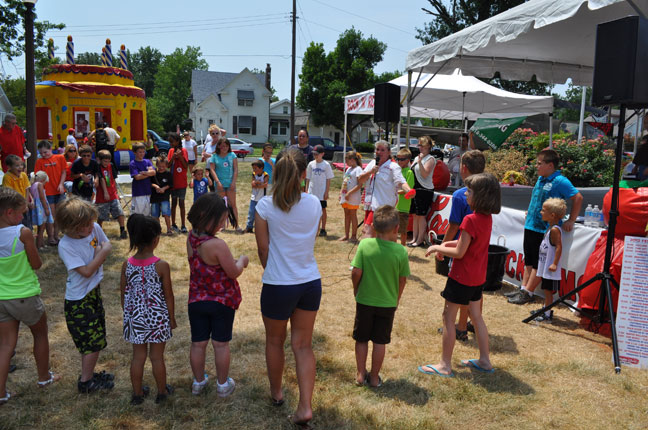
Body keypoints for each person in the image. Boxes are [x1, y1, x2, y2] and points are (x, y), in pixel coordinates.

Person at [254, 148, 321, 427]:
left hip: (278, 284)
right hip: (309, 282)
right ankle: (305, 406)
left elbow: (262, 249)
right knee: (303, 346)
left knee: (274, 342)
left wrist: (275, 270)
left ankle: (277, 393)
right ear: (304, 174)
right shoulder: (315, 203)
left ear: (275, 174)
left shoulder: (265, 206)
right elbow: (311, 239)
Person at [420, 173, 501, 377]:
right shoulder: (486, 218)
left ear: (480, 196)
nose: (465, 193)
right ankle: (484, 360)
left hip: (461, 277)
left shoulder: (470, 219)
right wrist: (445, 244)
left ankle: (444, 365)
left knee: (448, 317)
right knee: (477, 317)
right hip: (477, 278)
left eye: (470, 191)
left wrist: (438, 248)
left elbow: (460, 252)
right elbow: (467, 243)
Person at [0, 188, 59, 406]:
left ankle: (1, 393)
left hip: (1, 297)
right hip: (24, 294)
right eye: (21, 212)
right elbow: (36, 264)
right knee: (40, 335)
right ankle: (44, 378)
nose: (24, 217)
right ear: (8, 212)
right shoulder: (21, 232)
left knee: (5, 345)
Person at [186, 193, 249, 397]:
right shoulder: (217, 245)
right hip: (221, 302)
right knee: (221, 344)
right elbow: (233, 271)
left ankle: (198, 382)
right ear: (207, 217)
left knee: (198, 343)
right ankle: (223, 385)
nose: (222, 225)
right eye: (221, 221)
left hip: (196, 300)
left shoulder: (191, 238)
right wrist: (242, 261)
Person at [508, 149, 583, 305]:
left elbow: (578, 197)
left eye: (540, 163)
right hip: (531, 224)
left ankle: (529, 292)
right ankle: (524, 289)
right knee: (529, 260)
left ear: (550, 165)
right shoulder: (540, 179)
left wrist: (571, 220)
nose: (537, 166)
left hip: (544, 229)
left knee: (538, 263)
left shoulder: (560, 181)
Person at [56, 197, 114, 393]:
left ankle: (88, 375)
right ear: (72, 227)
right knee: (92, 342)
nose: (91, 227)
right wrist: (101, 253)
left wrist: (100, 251)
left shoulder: (94, 227)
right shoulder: (66, 245)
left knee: (96, 338)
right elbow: (87, 271)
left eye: (91, 222)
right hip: (79, 300)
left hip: (92, 293)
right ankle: (86, 382)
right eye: (86, 225)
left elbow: (106, 245)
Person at [350, 205, 409, 387]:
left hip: (365, 300)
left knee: (361, 338)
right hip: (387, 304)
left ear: (373, 228)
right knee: (379, 341)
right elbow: (402, 280)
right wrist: (396, 299)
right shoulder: (401, 252)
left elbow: (355, 272)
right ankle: (374, 378)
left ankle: (361, 374)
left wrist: (356, 290)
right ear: (397, 229)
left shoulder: (365, 245)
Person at [121, 214, 176, 405]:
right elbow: (168, 295)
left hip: (135, 318)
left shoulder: (126, 265)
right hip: (158, 319)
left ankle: (137, 394)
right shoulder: (161, 266)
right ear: (155, 240)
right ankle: (162, 392)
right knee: (157, 357)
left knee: (138, 357)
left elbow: (124, 293)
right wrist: (172, 318)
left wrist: (128, 315)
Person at [436, 150, 486, 341]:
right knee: (475, 290)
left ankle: (461, 326)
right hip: (480, 248)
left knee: (460, 292)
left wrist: (442, 246)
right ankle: (469, 322)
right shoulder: (487, 192)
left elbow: (454, 225)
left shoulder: (460, 195)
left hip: (461, 248)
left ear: (463, 168)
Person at [357, 140, 412, 238]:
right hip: (370, 205)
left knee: (369, 232)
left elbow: (400, 181)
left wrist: (408, 190)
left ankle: (366, 252)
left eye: (382, 150)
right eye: (377, 149)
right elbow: (360, 179)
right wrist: (370, 171)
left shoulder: (393, 166)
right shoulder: (373, 163)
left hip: (383, 208)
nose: (379, 152)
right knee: (370, 233)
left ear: (389, 152)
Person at [532, 198, 567, 323]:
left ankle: (547, 314)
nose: (541, 212)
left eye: (543, 210)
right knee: (545, 290)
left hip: (550, 268)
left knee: (548, 292)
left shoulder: (554, 230)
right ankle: (544, 309)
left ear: (552, 215)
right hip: (545, 265)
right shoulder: (550, 227)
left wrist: (554, 264)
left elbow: (558, 246)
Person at [35, 140, 67, 245]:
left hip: (59, 191)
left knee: (58, 215)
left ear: (50, 149)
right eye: (41, 153)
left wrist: (61, 184)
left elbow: (63, 172)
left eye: (45, 152)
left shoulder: (60, 158)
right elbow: (37, 177)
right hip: (48, 193)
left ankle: (56, 235)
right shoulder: (39, 162)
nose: (43, 155)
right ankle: (51, 237)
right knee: (51, 216)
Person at [408, 136, 437, 247]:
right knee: (415, 215)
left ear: (428, 146)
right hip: (416, 188)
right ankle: (414, 238)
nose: (420, 148)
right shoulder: (417, 157)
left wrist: (420, 163)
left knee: (421, 216)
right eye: (419, 145)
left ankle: (420, 240)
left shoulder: (430, 159)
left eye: (422, 145)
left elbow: (425, 175)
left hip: (425, 189)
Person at [209, 138, 241, 233]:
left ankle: (236, 225)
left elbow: (235, 169)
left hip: (230, 184)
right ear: (218, 146)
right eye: (222, 146)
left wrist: (233, 182)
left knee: (232, 204)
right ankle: (221, 225)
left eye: (226, 146)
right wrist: (218, 182)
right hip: (220, 184)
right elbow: (212, 170)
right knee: (221, 205)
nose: (224, 148)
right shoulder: (214, 156)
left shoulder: (232, 155)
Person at [95, 150, 127, 239]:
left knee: (119, 212)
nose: (107, 163)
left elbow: (113, 179)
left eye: (108, 161)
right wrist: (105, 192)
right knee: (101, 216)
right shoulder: (98, 167)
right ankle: (98, 232)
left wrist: (116, 193)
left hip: (113, 194)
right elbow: (101, 180)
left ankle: (122, 230)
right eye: (105, 161)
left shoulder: (111, 166)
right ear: (100, 160)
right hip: (102, 195)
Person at [305, 145, 334, 237]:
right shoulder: (311, 164)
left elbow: (328, 179)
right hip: (312, 191)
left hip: (321, 191)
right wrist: (306, 190)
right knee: (311, 210)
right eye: (314, 154)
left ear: (322, 154)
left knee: (322, 209)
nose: (315, 156)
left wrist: (326, 192)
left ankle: (323, 228)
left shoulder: (326, 165)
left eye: (317, 154)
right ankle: (312, 228)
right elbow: (308, 178)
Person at [2, 154, 33, 229]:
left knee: (27, 223)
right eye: (17, 166)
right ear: (9, 167)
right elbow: (10, 194)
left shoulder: (23, 175)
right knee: (17, 225)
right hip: (14, 206)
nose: (20, 167)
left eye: (21, 165)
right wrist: (20, 206)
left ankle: (27, 236)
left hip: (23, 204)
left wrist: (25, 204)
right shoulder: (7, 177)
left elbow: (27, 189)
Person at [338, 150, 363, 242]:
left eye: (347, 160)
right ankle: (346, 235)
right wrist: (341, 193)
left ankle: (353, 235)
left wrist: (349, 193)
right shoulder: (348, 169)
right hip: (346, 196)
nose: (346, 163)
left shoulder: (358, 169)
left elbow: (359, 185)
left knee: (353, 215)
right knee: (346, 215)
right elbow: (345, 181)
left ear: (352, 159)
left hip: (353, 196)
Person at [167, 133, 189, 233]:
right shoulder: (171, 151)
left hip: (181, 182)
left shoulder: (184, 151)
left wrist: (180, 156)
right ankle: (173, 224)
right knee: (174, 203)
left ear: (177, 141)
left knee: (181, 204)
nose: (170, 143)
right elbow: (168, 165)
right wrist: (173, 157)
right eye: (169, 141)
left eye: (172, 141)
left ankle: (183, 225)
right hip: (173, 182)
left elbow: (185, 165)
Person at [129, 143, 156, 216]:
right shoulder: (133, 163)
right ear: (135, 152)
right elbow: (137, 177)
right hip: (138, 192)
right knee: (137, 214)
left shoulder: (147, 161)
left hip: (147, 191)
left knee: (147, 213)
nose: (142, 153)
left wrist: (145, 173)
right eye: (140, 152)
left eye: (143, 151)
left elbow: (153, 172)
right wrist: (148, 173)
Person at [394, 149, 414, 246]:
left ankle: (402, 247)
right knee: (393, 229)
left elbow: (408, 189)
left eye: (402, 159)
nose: (399, 161)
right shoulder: (397, 171)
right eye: (397, 159)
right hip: (395, 205)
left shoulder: (409, 172)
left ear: (408, 160)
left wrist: (396, 191)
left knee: (402, 230)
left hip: (403, 207)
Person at [29, 172, 53, 250]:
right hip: (41, 208)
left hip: (36, 208)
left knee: (40, 228)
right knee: (41, 229)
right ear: (43, 180)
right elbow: (42, 198)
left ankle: (42, 244)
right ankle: (39, 246)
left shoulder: (32, 184)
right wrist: (46, 209)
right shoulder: (39, 184)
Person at [151, 157, 174, 236]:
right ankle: (158, 229)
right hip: (154, 197)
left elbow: (170, 184)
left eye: (163, 166)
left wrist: (163, 188)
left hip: (164, 197)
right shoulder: (154, 173)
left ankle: (169, 229)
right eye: (159, 166)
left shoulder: (168, 174)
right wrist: (156, 187)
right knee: (155, 215)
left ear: (167, 166)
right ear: (156, 165)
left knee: (166, 214)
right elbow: (151, 183)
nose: (161, 168)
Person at [245, 159, 269, 233]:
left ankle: (261, 228)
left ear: (261, 168)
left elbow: (265, 185)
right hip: (254, 197)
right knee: (251, 212)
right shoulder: (254, 174)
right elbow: (253, 184)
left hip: (262, 198)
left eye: (256, 168)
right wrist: (258, 184)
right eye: (253, 169)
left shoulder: (265, 175)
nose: (254, 170)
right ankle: (249, 227)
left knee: (261, 214)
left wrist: (257, 184)